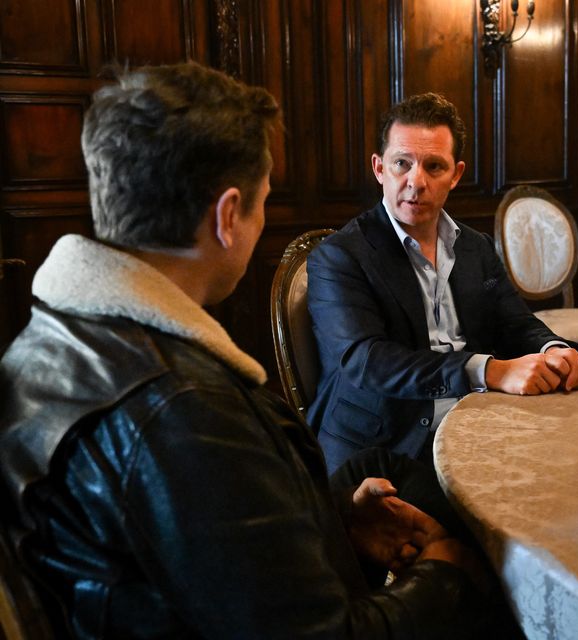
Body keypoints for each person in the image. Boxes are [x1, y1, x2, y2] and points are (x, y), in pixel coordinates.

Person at [0, 62, 509, 639]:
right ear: (226, 217)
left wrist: (334, 517)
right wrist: (446, 572)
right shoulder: (186, 412)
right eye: (263, 201)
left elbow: (203, 546)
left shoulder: (51, 337)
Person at [306, 93, 578, 473]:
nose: (416, 181)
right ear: (379, 168)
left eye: (433, 166)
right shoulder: (340, 255)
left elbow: (515, 321)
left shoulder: (474, 247)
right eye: (401, 164)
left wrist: (554, 350)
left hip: (477, 428)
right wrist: (487, 370)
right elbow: (367, 362)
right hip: (383, 447)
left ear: (456, 174)